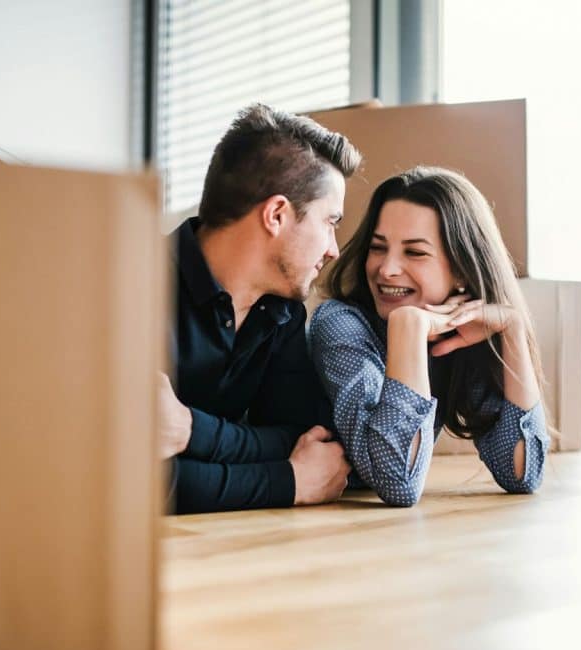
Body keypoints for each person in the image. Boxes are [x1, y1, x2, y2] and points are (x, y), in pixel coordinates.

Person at [160, 104, 361, 514]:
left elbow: (299, 437)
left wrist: (192, 431)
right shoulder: (134, 290)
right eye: (330, 222)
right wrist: (287, 482)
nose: (334, 250)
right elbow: (132, 479)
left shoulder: (282, 309)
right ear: (276, 215)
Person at [308, 166, 550, 507]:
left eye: (415, 252)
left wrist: (513, 329)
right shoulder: (339, 324)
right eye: (377, 248)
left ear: (462, 270)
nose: (387, 269)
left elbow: (523, 474)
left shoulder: (459, 334)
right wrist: (408, 326)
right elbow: (397, 483)